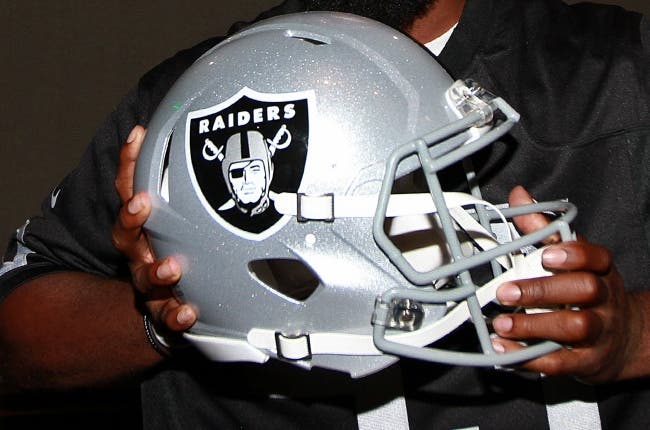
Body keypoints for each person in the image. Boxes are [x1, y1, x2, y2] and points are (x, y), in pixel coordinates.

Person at [1, 0, 649, 428]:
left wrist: (631, 337)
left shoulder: (623, 70)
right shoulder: (192, 100)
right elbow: (14, 334)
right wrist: (167, 308)